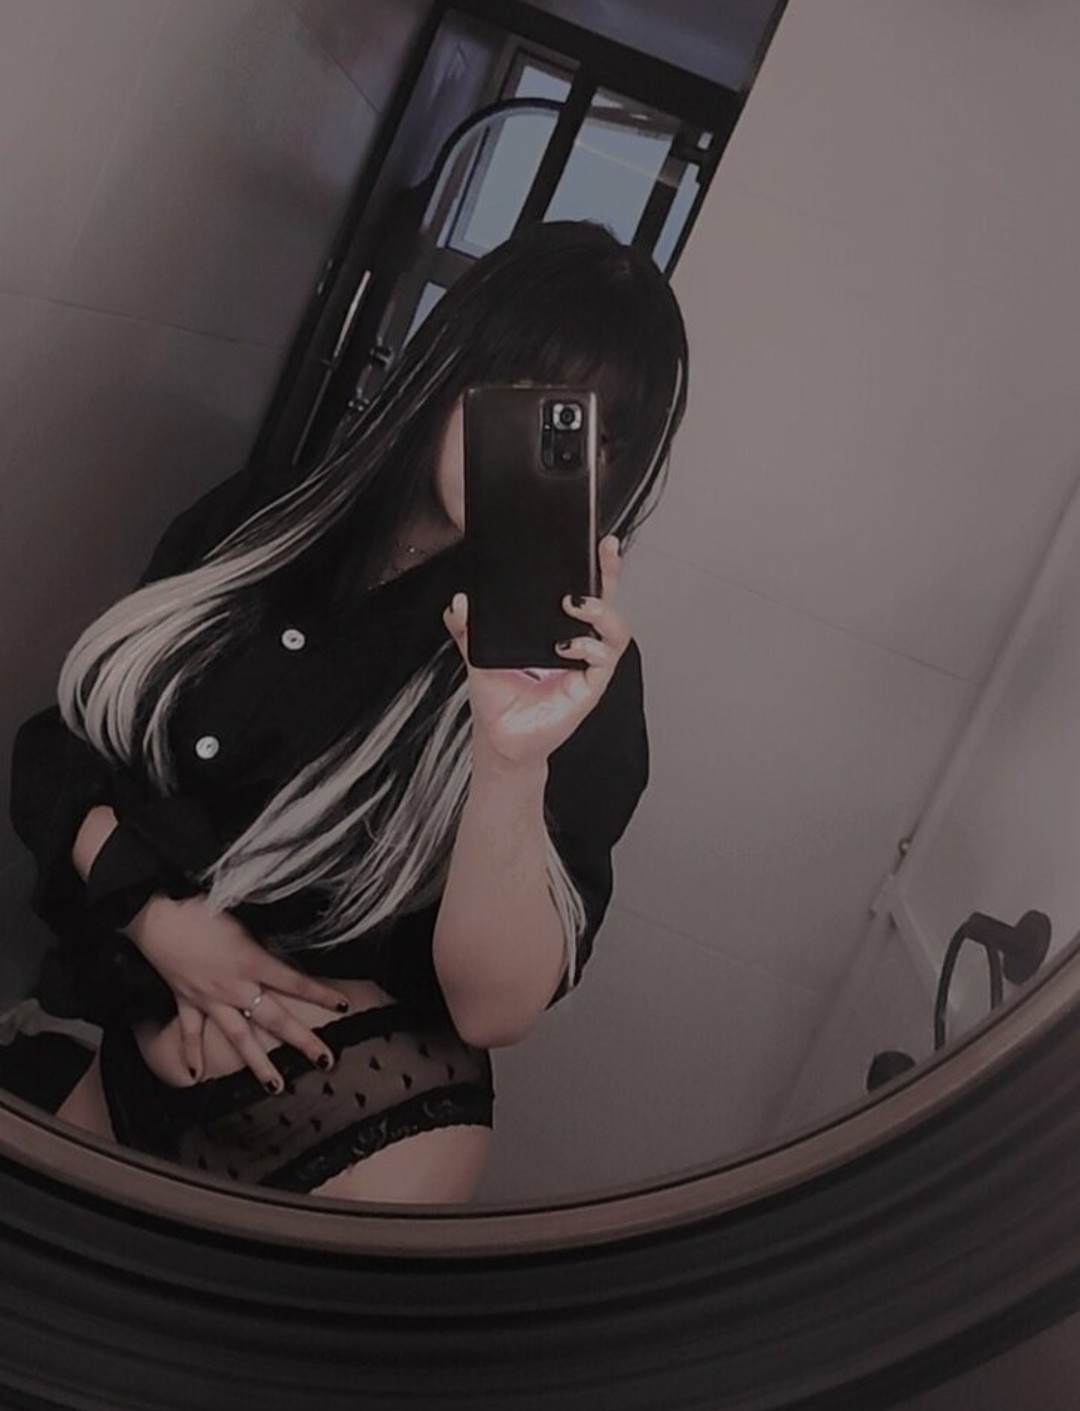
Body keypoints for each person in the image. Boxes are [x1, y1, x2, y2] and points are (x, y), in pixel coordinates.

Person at [9, 220, 689, 1205]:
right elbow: (65, 750)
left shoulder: (576, 673)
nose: (549, 455)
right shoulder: (262, 518)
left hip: (352, 1130)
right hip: (124, 1060)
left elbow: (494, 1009)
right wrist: (156, 917)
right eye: (531, 401)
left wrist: (508, 760)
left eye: (594, 437)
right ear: (452, 364)